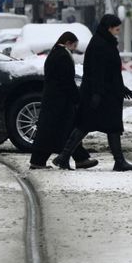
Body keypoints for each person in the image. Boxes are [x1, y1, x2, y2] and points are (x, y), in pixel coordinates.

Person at [64, 14, 132, 171]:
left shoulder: (106, 42)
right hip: (99, 94)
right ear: (108, 27)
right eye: (116, 27)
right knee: (86, 125)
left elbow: (111, 72)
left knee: (109, 127)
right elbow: (97, 72)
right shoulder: (100, 44)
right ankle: (63, 157)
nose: (118, 30)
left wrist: (122, 88)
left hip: (106, 93)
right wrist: (97, 94)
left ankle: (119, 161)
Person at [29, 31, 89, 169]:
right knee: (57, 131)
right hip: (60, 100)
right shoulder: (62, 56)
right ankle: (77, 159)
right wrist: (76, 97)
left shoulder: (55, 53)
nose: (74, 49)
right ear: (68, 43)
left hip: (54, 99)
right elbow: (67, 80)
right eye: (74, 46)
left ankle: (80, 158)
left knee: (59, 130)